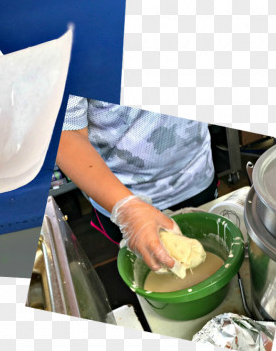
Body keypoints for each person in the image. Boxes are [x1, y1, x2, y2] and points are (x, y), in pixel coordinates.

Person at [55, 96, 218, 271]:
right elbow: (65, 132)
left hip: (196, 172)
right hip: (119, 193)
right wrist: (127, 207)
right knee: (149, 265)